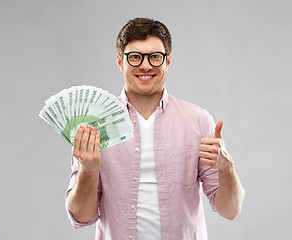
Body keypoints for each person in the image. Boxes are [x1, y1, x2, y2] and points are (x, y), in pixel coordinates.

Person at [65, 17, 245, 240]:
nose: (146, 65)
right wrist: (87, 169)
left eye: (155, 57)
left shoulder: (198, 122)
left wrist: (227, 168)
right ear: (120, 62)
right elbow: (81, 217)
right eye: (135, 57)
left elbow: (231, 210)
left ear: (167, 61)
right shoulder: (95, 125)